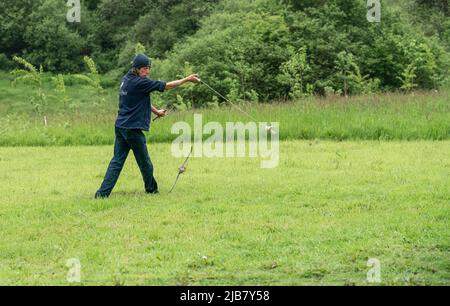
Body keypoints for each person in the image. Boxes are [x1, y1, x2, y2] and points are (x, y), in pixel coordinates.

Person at [95, 54, 200, 198]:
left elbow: (139, 99)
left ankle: (101, 194)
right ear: (137, 69)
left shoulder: (126, 80)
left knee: (117, 162)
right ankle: (151, 190)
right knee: (145, 163)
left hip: (120, 127)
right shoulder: (140, 83)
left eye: (148, 68)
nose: (147, 72)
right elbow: (167, 85)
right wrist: (187, 79)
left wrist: (157, 111)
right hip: (132, 130)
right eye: (145, 69)